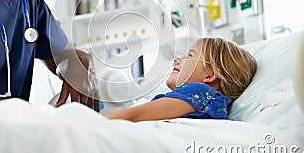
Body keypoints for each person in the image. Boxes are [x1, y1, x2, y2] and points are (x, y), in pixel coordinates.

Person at [107, 37, 257, 121]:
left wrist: (92, 123)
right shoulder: (207, 102)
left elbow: (135, 115)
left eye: (190, 55)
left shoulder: (202, 93)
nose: (177, 59)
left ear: (210, 76)